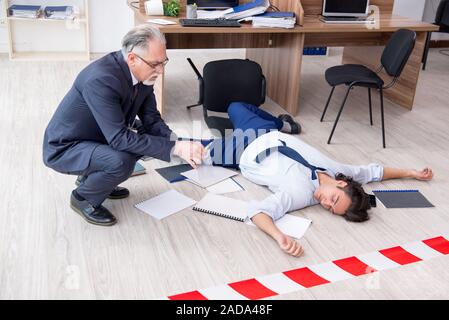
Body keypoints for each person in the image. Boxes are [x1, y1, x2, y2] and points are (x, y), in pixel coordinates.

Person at [201, 102, 434, 257]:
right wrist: (410, 172)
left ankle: (219, 140)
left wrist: (279, 237)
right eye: (333, 199)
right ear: (342, 184)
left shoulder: (301, 195)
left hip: (240, 151)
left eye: (330, 208)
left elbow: (259, 212)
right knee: (234, 106)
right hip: (265, 131)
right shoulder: (340, 171)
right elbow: (375, 172)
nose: (325, 203)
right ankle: (283, 123)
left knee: (195, 151)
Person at [43, 25, 205, 226]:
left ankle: (93, 179)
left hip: (99, 135)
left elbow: (152, 120)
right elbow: (119, 138)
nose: (161, 70)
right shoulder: (101, 79)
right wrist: (174, 148)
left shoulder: (144, 72)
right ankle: (83, 197)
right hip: (66, 147)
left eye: (164, 62)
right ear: (131, 59)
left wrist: (178, 144)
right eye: (155, 64)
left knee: (144, 140)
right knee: (121, 161)